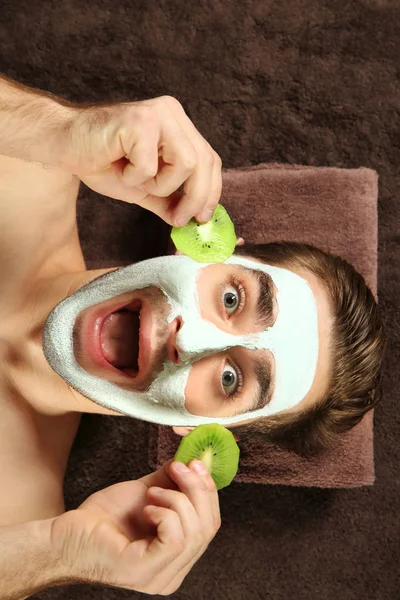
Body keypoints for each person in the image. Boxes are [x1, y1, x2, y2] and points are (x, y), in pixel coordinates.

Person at [0, 74, 385, 597]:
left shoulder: (19, 529)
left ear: (198, 434)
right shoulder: (27, 164)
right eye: (231, 300)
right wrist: (57, 129)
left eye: (230, 379)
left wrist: (54, 553)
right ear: (201, 244)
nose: (192, 339)